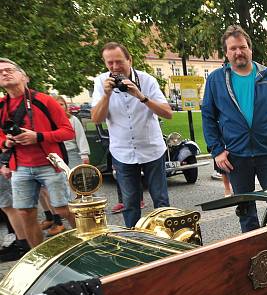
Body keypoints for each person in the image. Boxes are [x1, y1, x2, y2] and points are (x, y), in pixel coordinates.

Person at [202, 25, 267, 232]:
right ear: (226, 53)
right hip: (237, 156)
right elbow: (208, 117)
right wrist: (216, 150)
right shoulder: (216, 80)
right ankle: (253, 252)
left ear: (250, 49)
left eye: (242, 47)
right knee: (245, 210)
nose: (238, 52)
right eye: (233, 48)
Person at [91, 42, 172, 228]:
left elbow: (167, 113)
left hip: (151, 149)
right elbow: (97, 118)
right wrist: (106, 96)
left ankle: (167, 239)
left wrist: (141, 96)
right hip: (123, 152)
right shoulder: (100, 83)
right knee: (130, 204)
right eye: (109, 63)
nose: (114, 67)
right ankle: (135, 242)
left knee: (161, 201)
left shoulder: (147, 80)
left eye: (119, 62)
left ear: (130, 60)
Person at [0, 58, 75, 249]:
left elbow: (68, 131)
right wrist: (6, 142)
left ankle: (86, 244)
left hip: (50, 164)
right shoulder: (2, 106)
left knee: (64, 209)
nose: (5, 74)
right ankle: (38, 256)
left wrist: (38, 136)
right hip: (21, 168)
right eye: (0, 73)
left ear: (24, 77)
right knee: (25, 212)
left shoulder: (44, 100)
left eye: (9, 70)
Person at [39, 95, 90, 236]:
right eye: (57, 104)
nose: (60, 107)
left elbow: (80, 137)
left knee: (77, 186)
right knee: (58, 189)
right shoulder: (47, 121)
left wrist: (84, 154)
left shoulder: (72, 120)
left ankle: (84, 217)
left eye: (62, 104)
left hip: (72, 154)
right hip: (55, 156)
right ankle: (62, 220)